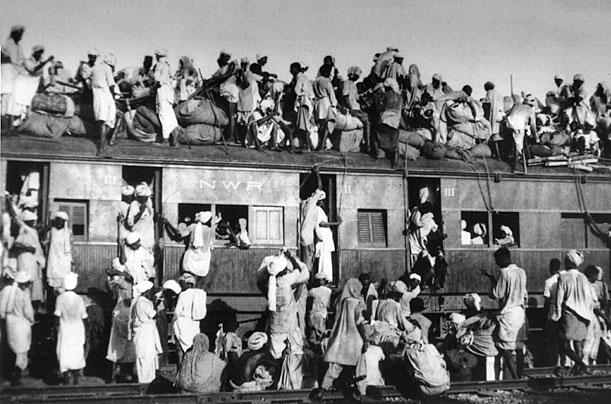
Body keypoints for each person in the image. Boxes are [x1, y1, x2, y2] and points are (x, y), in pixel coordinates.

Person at [481, 246, 527, 379]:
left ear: (501, 259)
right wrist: (492, 278)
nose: (496, 263)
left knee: (505, 348)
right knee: (519, 348)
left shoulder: (504, 272)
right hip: (520, 312)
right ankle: (520, 376)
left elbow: (497, 294)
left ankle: (515, 378)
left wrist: (491, 283)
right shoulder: (521, 272)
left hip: (508, 314)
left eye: (497, 260)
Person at [317, 279, 368, 398]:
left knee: (335, 367)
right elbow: (359, 322)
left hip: (342, 339)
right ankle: (363, 394)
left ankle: (322, 390)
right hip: (355, 340)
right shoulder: (357, 302)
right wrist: (365, 339)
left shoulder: (342, 302)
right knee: (360, 367)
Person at [552, 250, 593, 375]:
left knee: (563, 344)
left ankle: (582, 365)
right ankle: (578, 372)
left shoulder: (563, 277)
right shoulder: (583, 278)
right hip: (583, 314)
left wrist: (557, 315)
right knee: (578, 344)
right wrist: (588, 314)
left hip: (569, 313)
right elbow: (589, 298)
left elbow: (559, 298)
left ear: (568, 262)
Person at [0, 271, 34, 386]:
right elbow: (28, 312)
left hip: (11, 325)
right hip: (21, 325)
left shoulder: (10, 293)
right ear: (24, 284)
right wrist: (31, 320)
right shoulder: (24, 295)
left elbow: (3, 311)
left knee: (13, 350)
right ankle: (17, 376)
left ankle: (11, 373)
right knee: (22, 352)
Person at [7, 45, 54, 126]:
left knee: (24, 108)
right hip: (21, 85)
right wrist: (47, 61)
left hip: (30, 88)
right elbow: (33, 69)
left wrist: (42, 88)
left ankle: (15, 128)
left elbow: (40, 77)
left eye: (41, 53)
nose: (40, 54)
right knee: (14, 106)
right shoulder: (27, 61)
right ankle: (9, 128)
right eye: (38, 52)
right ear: (34, 53)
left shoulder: (40, 64)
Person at [55, 273, 88, 385]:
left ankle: (65, 380)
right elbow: (84, 316)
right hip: (77, 329)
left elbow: (57, 315)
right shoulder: (79, 299)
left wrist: (55, 328)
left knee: (64, 353)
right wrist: (87, 331)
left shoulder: (60, 298)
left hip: (65, 329)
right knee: (77, 353)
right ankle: (76, 380)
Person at [106, 260, 136, 383]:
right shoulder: (122, 285)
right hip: (121, 315)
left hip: (124, 315)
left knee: (121, 346)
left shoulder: (127, 284)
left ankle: (120, 375)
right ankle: (118, 375)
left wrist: (119, 274)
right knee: (121, 346)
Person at [10, 208, 46, 304]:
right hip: (25, 259)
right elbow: (16, 245)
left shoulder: (31, 230)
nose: (34, 222)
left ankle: (31, 307)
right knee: (25, 281)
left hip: (33, 259)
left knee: (33, 284)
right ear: (26, 221)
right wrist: (28, 248)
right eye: (31, 221)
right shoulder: (23, 229)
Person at [131, 280, 162, 383]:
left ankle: (147, 380)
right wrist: (156, 303)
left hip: (144, 331)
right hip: (146, 332)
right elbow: (154, 314)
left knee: (146, 357)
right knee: (146, 357)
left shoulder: (137, 301)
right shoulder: (143, 302)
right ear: (146, 291)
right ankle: (145, 381)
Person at [173, 273, 207, 361]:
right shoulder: (199, 294)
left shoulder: (183, 295)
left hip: (183, 325)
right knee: (194, 350)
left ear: (188, 284)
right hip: (194, 326)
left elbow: (177, 312)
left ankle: (180, 372)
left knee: (180, 351)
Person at [210, 51, 239, 143]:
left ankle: (232, 137)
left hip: (231, 92)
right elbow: (215, 77)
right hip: (224, 93)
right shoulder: (221, 69)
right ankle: (227, 135)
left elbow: (226, 76)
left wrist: (214, 79)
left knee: (231, 115)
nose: (225, 59)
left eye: (227, 57)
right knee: (226, 115)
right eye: (223, 57)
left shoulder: (232, 64)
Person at [542, 258, 566, 368]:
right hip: (564, 313)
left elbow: (546, 302)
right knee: (563, 339)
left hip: (552, 314)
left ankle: (554, 363)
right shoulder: (564, 278)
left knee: (553, 340)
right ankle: (564, 362)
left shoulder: (548, 282)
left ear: (550, 268)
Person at [91, 53, 117, 155]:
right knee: (108, 121)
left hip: (97, 95)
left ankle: (102, 145)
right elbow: (111, 84)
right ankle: (101, 149)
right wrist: (114, 96)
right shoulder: (107, 68)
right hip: (105, 94)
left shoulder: (95, 68)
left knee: (106, 121)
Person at [153, 49, 180, 146]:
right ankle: (175, 140)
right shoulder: (169, 64)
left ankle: (165, 140)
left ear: (158, 56)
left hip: (163, 90)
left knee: (163, 115)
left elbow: (157, 79)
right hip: (169, 92)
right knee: (170, 115)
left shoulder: (160, 64)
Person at [342, 66, 370, 153]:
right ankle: (368, 145)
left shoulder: (353, 85)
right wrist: (351, 109)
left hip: (356, 107)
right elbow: (345, 96)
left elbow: (357, 98)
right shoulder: (346, 83)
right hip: (353, 108)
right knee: (367, 122)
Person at [314, 192, 341, 282]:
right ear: (320, 201)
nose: (324, 203)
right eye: (323, 201)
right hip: (323, 241)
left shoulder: (320, 210)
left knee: (326, 262)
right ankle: (323, 280)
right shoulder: (317, 209)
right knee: (324, 263)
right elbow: (322, 223)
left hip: (325, 240)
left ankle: (326, 280)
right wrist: (336, 224)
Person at [1, 25, 25, 122]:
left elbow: (22, 60)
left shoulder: (19, 47)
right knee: (5, 99)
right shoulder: (7, 45)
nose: (19, 37)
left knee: (13, 100)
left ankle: (11, 126)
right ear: (13, 34)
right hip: (6, 73)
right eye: (18, 34)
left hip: (15, 73)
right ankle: (3, 126)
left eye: (20, 35)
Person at [377, 78, 403, 165]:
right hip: (396, 122)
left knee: (378, 135)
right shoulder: (400, 97)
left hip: (385, 119)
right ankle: (394, 152)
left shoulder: (386, 94)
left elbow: (379, 107)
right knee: (394, 138)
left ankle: (381, 150)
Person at [290, 62, 315, 151]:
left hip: (304, 101)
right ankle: (308, 145)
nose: (290, 71)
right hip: (307, 102)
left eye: (291, 69)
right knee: (304, 124)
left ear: (296, 69)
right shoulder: (304, 77)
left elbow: (297, 90)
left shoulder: (300, 77)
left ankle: (308, 146)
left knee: (304, 124)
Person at [312, 64, 337, 150]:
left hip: (318, 103)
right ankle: (322, 146)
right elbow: (331, 94)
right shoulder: (326, 81)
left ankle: (320, 144)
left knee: (320, 125)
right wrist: (334, 105)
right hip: (326, 103)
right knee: (327, 125)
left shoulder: (315, 81)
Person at [46, 211, 73, 290]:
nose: (59, 223)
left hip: (64, 260)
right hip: (53, 259)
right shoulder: (51, 231)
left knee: (64, 282)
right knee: (52, 282)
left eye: (61, 221)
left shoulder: (68, 232)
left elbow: (71, 247)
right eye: (57, 221)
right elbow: (45, 241)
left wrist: (71, 260)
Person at [125, 182, 155, 252]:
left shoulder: (149, 202)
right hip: (139, 241)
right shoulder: (134, 205)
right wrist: (140, 212)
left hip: (149, 238)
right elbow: (130, 223)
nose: (146, 198)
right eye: (144, 197)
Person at [306, 272, 332, 349]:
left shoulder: (313, 291)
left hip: (313, 314)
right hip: (322, 314)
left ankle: (313, 349)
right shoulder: (328, 290)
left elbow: (307, 296)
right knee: (321, 334)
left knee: (312, 334)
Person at [483, 81, 505, 159]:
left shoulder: (489, 93)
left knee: (492, 134)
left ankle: (496, 154)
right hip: (500, 116)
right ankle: (501, 154)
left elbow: (488, 104)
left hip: (494, 115)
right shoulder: (499, 94)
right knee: (499, 134)